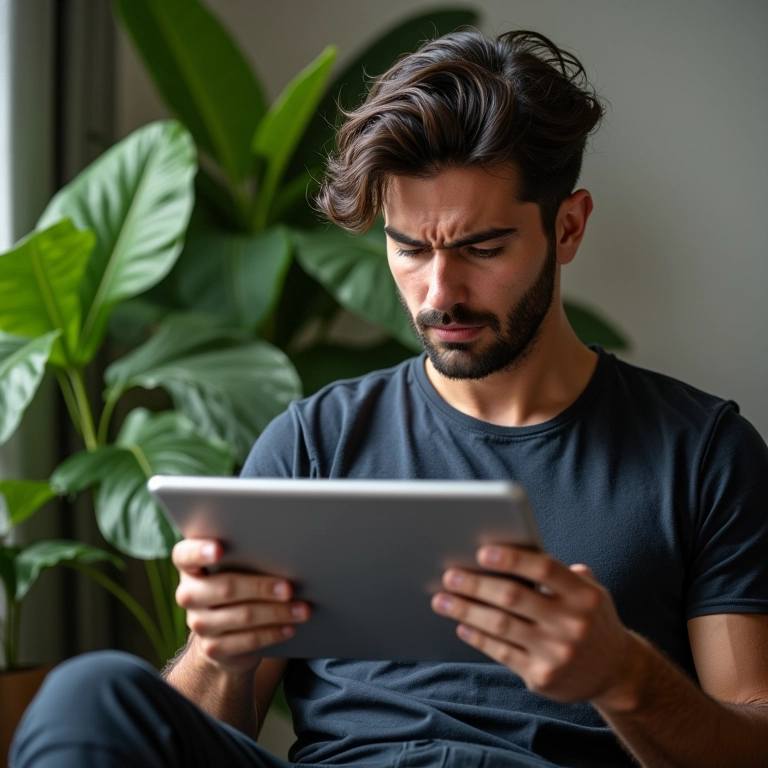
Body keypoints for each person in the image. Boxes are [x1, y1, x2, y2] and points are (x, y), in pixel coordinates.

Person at [11, 28, 768, 768]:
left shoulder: (701, 454)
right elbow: (210, 731)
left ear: (567, 228)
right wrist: (218, 653)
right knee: (92, 692)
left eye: (482, 248)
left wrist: (621, 678)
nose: (441, 293)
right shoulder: (315, 441)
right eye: (410, 248)